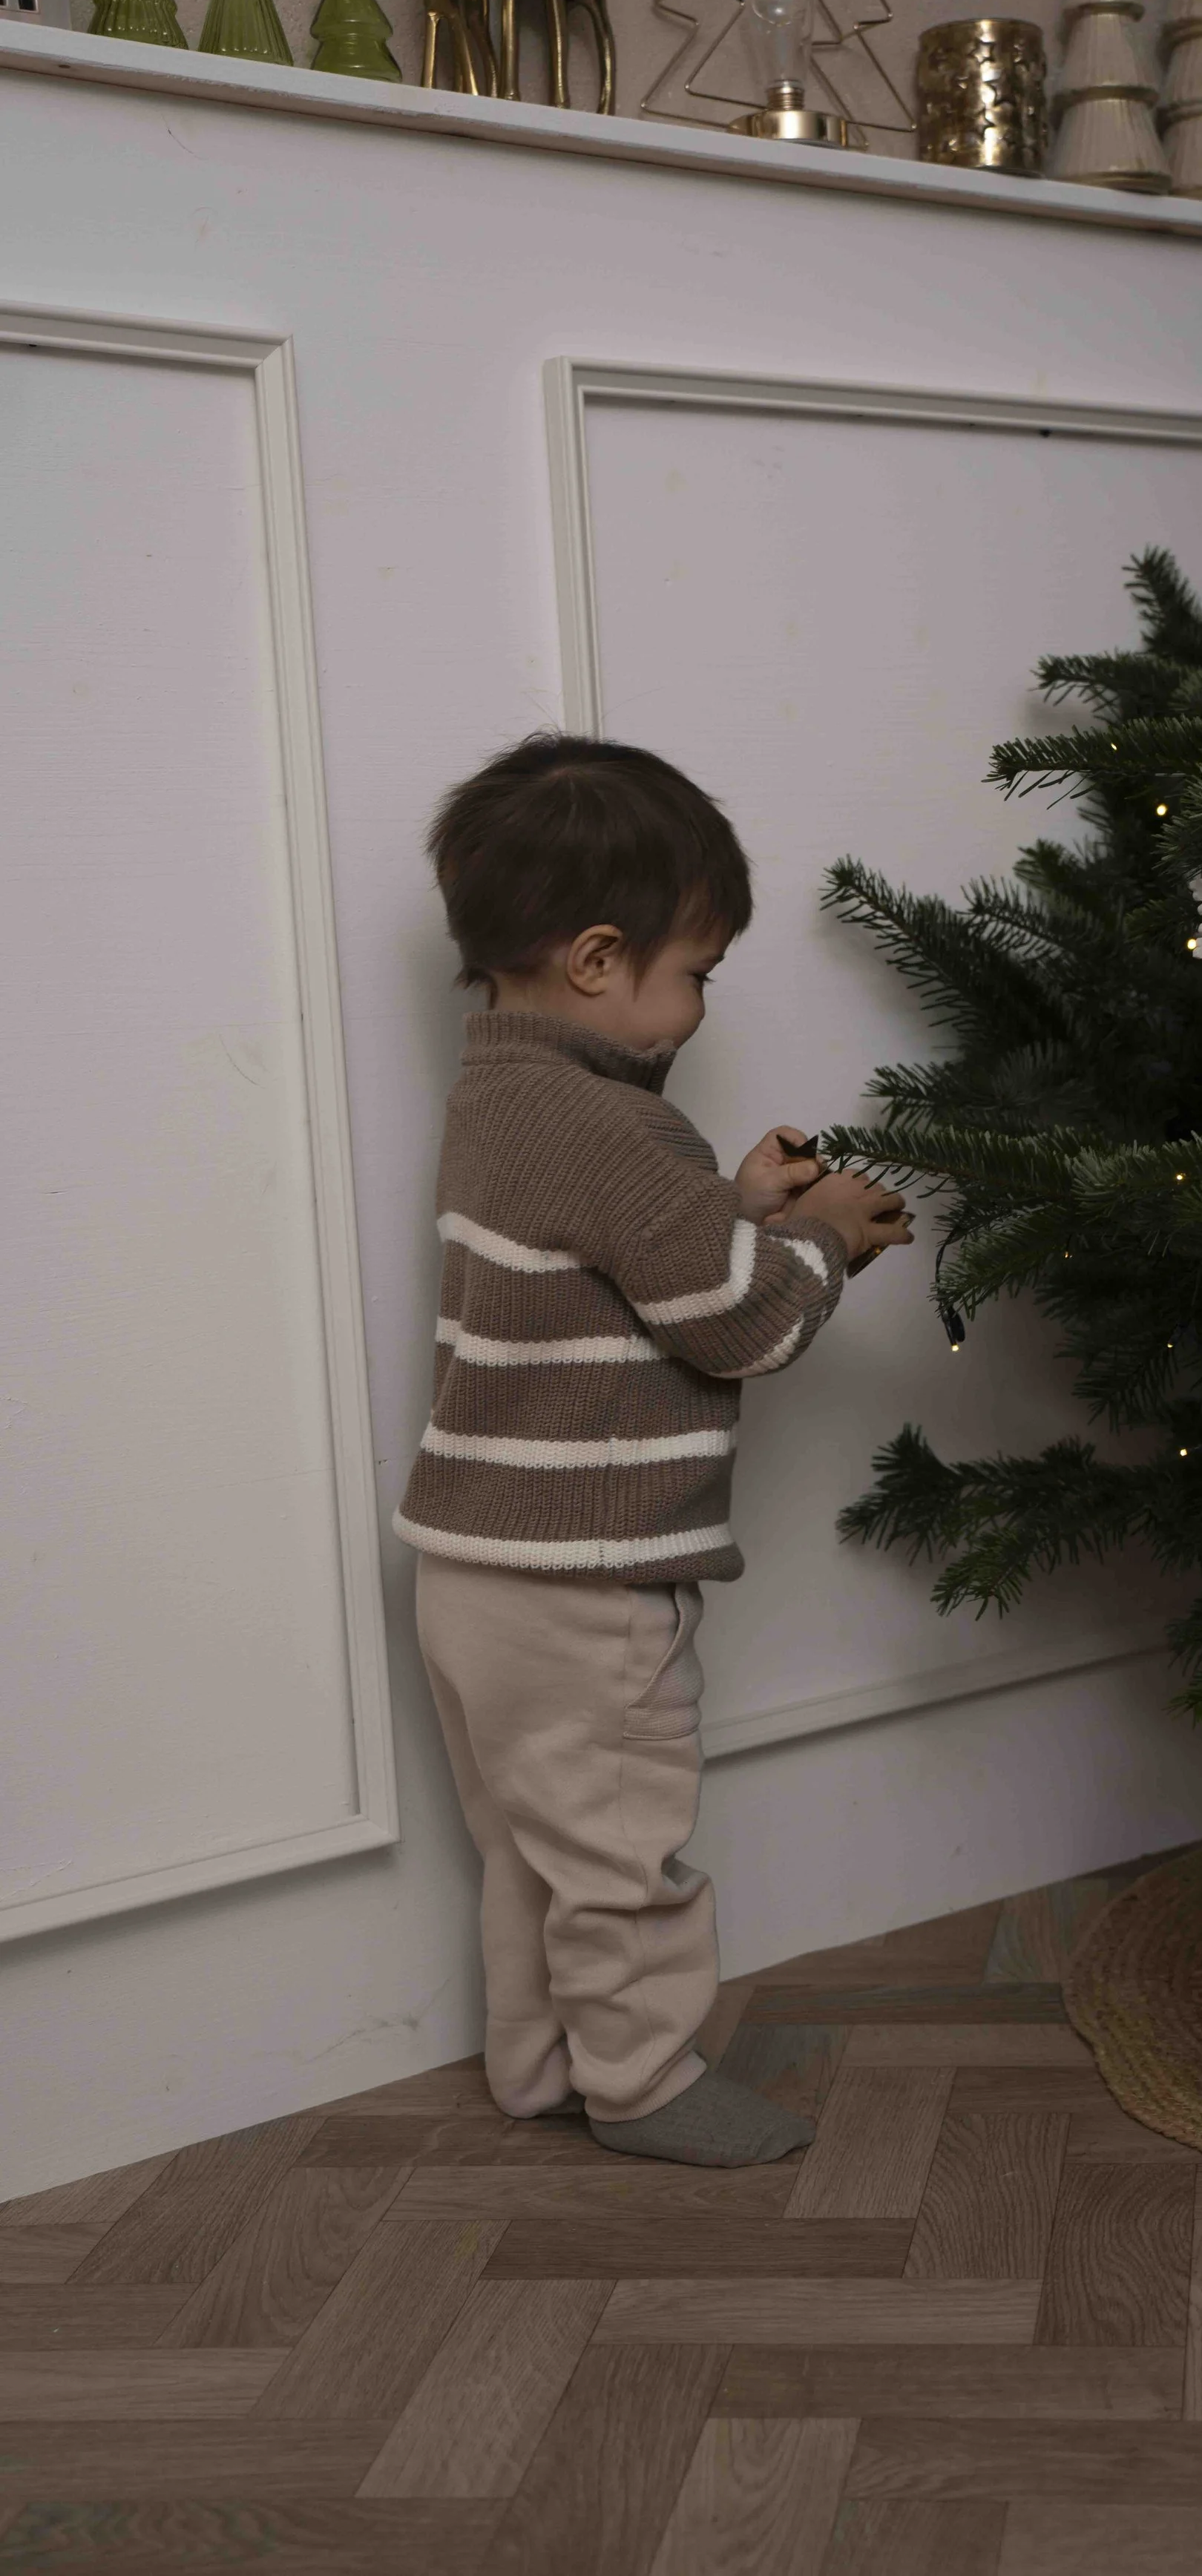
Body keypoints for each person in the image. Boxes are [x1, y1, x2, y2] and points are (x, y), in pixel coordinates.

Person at [395, 735, 911, 2165]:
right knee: (622, 1850)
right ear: (596, 960)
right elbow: (738, 1323)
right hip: (586, 1577)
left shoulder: (498, 1099)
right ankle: (644, 2084)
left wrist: (732, 1203)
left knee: (534, 1848)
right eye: (695, 973)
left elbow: (626, 1266)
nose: (697, 1004)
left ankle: (540, 2065)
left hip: (473, 1569)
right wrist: (822, 1239)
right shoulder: (621, 1129)